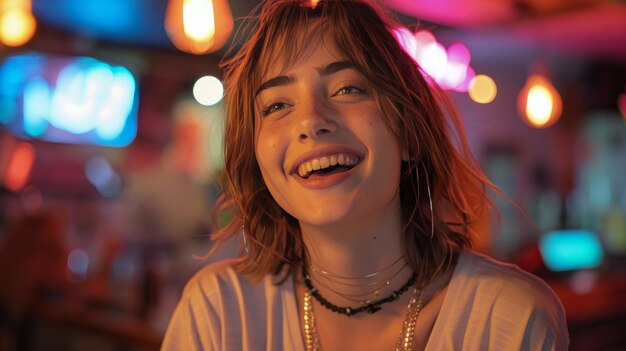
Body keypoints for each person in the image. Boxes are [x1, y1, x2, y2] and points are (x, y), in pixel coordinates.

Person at [161, 0, 569, 350]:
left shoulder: (510, 321)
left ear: (408, 133)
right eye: (277, 105)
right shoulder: (218, 312)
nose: (311, 121)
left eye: (347, 89)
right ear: (258, 159)